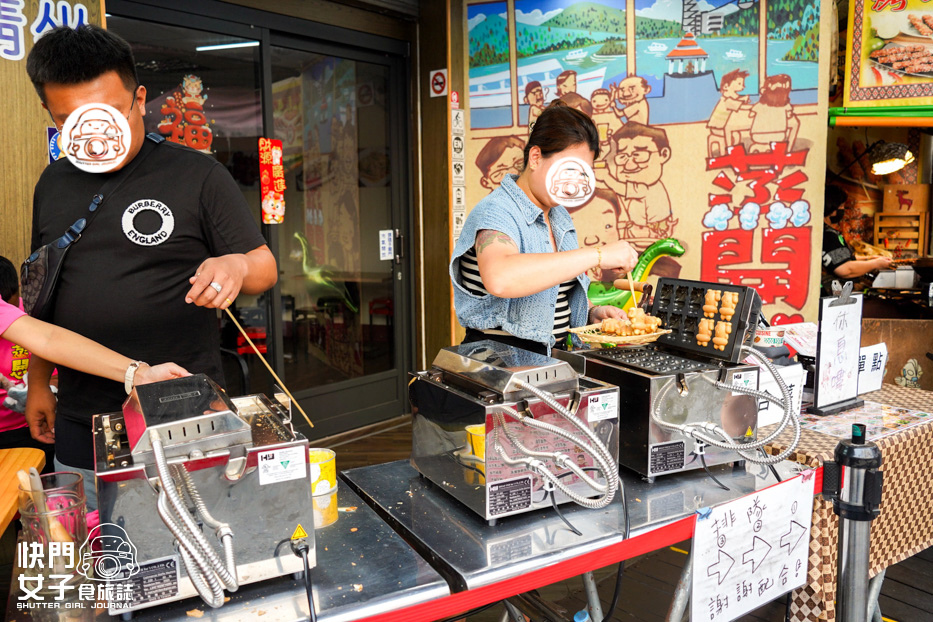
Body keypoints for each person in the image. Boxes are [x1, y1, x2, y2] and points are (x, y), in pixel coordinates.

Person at [25, 25, 277, 508]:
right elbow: (44, 292)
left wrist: (235, 266)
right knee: (100, 557)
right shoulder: (52, 183)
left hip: (182, 411)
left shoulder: (198, 174)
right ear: (50, 114)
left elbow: (263, 266)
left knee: (191, 549)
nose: (96, 136)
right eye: (72, 121)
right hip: (82, 417)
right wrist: (39, 383)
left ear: (140, 99)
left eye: (111, 114)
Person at [450, 100, 639, 355]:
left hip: (553, 358)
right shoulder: (496, 211)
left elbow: (554, 292)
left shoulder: (559, 217)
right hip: (499, 360)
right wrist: (598, 255)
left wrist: (592, 313)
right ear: (536, 157)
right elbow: (500, 278)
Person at [822, 185, 892, 294]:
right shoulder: (827, 235)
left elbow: (843, 258)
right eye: (841, 206)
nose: (843, 209)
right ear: (832, 208)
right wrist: (876, 264)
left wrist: (870, 258)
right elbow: (845, 269)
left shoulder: (829, 232)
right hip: (831, 294)